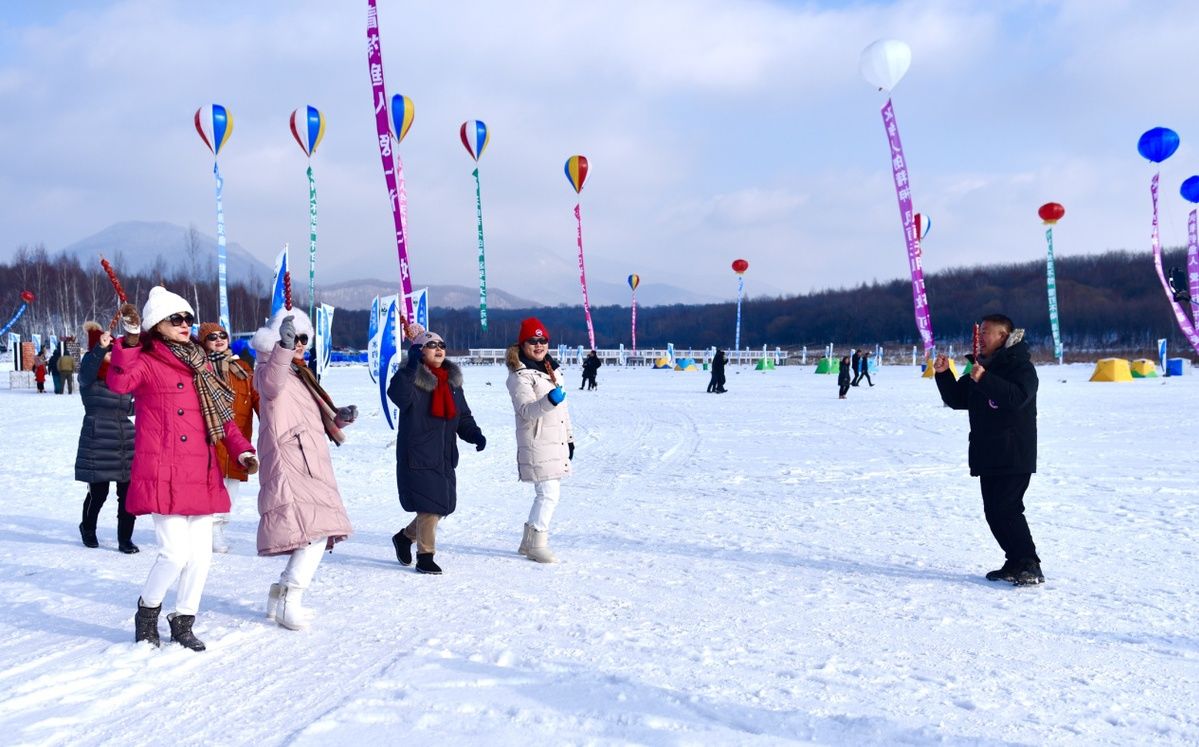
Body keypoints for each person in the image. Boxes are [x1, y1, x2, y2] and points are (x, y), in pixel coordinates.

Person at [107, 286, 258, 651]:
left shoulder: (201, 363)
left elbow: (222, 419)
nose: (185, 324)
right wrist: (128, 340)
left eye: (188, 318)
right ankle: (147, 611)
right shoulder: (144, 359)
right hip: (165, 470)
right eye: (177, 318)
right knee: (174, 553)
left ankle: (183, 618)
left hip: (201, 470)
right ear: (157, 324)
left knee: (200, 557)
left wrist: (241, 451)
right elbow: (118, 381)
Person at [251, 309, 356, 630]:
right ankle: (290, 599)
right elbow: (270, 386)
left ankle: (280, 594)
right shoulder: (267, 366)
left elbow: (310, 415)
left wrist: (338, 417)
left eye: (302, 339)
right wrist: (281, 348)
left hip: (310, 458)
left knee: (312, 532)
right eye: (292, 338)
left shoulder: (300, 373)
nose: (298, 344)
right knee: (314, 533)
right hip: (289, 459)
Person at [933, 313, 1043, 586]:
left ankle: (1030, 564)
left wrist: (984, 379)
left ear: (1003, 337)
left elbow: (1016, 398)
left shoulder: (1021, 367)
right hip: (989, 451)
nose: (980, 338)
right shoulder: (983, 367)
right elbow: (958, 399)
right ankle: (1014, 561)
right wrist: (945, 374)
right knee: (994, 511)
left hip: (1014, 452)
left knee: (1008, 509)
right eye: (980, 333)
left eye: (986, 333)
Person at [388, 325, 485, 575]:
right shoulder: (411, 378)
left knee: (440, 506)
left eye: (442, 345)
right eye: (432, 345)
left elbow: (462, 415)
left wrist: (473, 433)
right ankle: (425, 556)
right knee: (430, 506)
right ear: (420, 351)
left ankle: (404, 537)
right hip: (418, 453)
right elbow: (398, 395)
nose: (439, 349)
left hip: (443, 453)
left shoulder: (451, 382)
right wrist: (410, 367)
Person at [506, 317, 573, 563]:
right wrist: (550, 400)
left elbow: (562, 411)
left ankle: (528, 542)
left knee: (549, 493)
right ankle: (537, 542)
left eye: (542, 340)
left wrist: (570, 439)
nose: (538, 345)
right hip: (537, 441)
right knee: (548, 493)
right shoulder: (520, 376)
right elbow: (526, 411)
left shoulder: (550, 369)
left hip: (554, 440)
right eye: (532, 341)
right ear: (522, 344)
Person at [75, 321, 138, 553]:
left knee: (127, 494)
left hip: (125, 442)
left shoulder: (122, 379)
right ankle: (88, 528)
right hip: (98, 440)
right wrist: (99, 349)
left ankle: (125, 539)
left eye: (114, 350)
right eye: (109, 351)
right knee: (99, 493)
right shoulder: (89, 379)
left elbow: (130, 408)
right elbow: (87, 369)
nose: (113, 354)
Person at [199, 321, 259, 553]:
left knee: (230, 490)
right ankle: (210, 532)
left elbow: (258, 399)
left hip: (237, 442)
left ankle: (219, 529)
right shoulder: (200, 369)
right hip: (211, 440)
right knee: (211, 489)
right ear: (204, 343)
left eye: (222, 335)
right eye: (212, 337)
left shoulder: (242, 368)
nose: (218, 339)